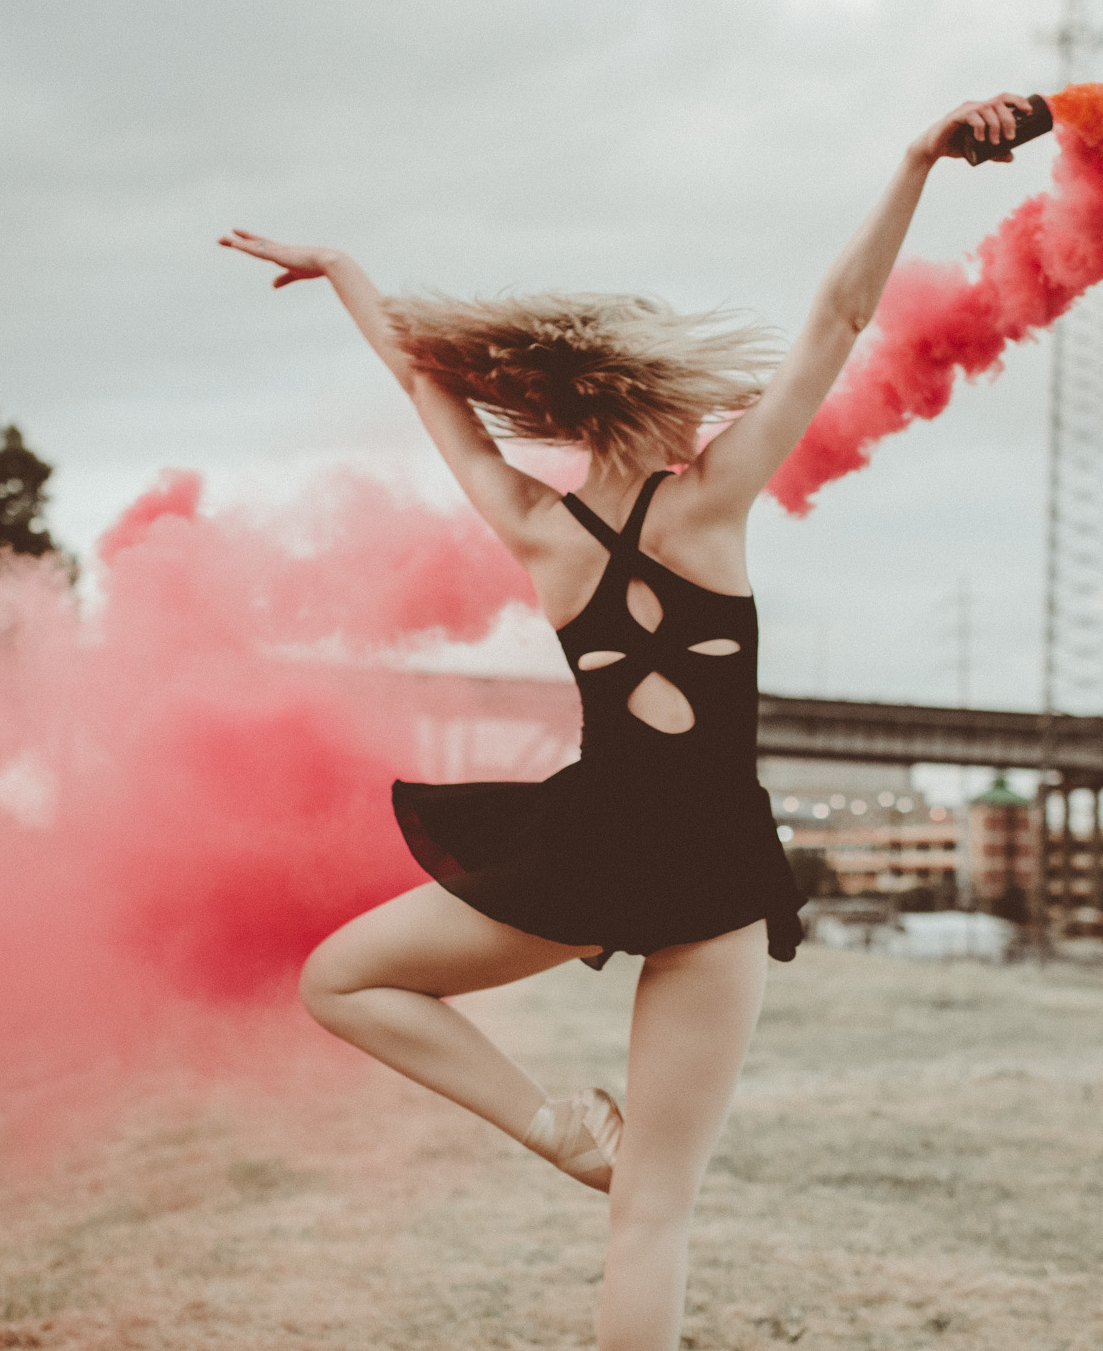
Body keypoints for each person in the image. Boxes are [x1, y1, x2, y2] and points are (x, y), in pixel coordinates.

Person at [222, 92, 1037, 1351]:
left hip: (591, 841)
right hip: (711, 857)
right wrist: (915, 158)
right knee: (655, 1216)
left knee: (339, 980)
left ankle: (552, 1127)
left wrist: (345, 274)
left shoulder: (536, 529)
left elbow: (420, 382)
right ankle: (583, 1148)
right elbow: (838, 318)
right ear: (654, 398)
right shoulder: (713, 503)